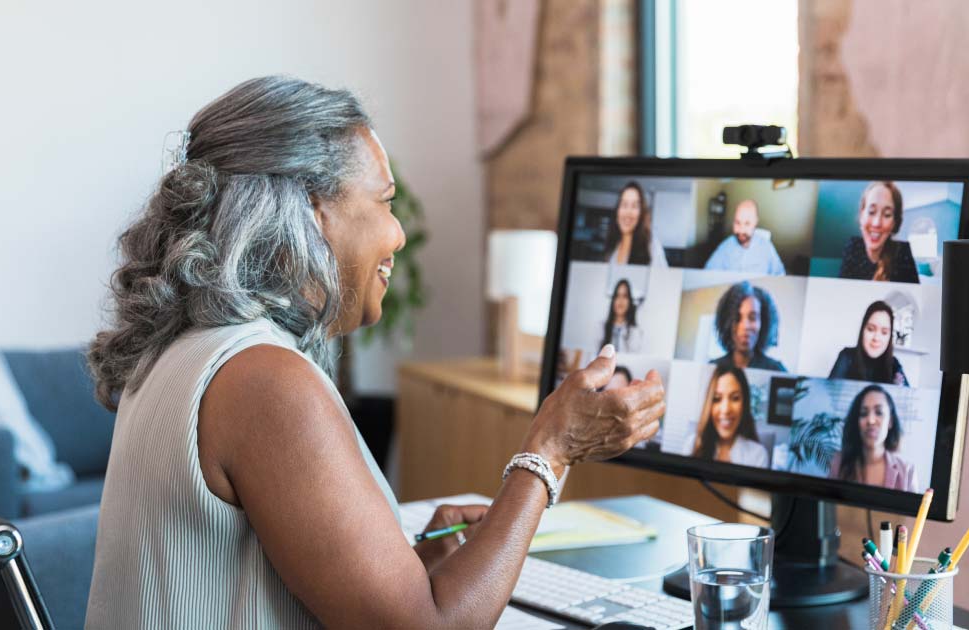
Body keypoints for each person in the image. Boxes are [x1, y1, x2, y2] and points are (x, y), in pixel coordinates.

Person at [85, 77, 666, 629]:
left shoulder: (188, 347)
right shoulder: (263, 381)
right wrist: (550, 448)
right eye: (385, 202)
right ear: (315, 213)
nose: (398, 234)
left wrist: (417, 566)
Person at [828, 384, 918, 491]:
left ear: (890, 422)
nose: (870, 420)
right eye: (863, 413)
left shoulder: (907, 472)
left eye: (879, 413)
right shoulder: (838, 463)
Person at [685, 365, 769, 467]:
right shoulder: (691, 445)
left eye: (735, 398)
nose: (725, 410)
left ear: (744, 404)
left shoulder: (758, 455)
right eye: (717, 399)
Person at [838, 181, 919, 283]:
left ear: (894, 223)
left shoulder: (903, 253)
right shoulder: (853, 246)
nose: (877, 223)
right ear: (861, 215)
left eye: (887, 214)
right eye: (871, 212)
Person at [709, 281, 787, 372]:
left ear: (763, 323)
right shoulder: (713, 368)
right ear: (727, 323)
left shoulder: (776, 370)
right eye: (737, 318)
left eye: (752, 318)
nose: (745, 326)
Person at [828, 301, 910, 386]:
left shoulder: (894, 364)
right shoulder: (847, 357)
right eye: (871, 329)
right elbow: (830, 394)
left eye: (884, 332)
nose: (876, 338)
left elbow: (906, 395)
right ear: (862, 330)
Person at [703, 199, 786, 275]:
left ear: (755, 222)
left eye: (747, 223)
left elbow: (780, 274)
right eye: (737, 222)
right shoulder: (725, 246)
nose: (741, 230)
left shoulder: (767, 247)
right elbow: (708, 273)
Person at [603, 181, 668, 267]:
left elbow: (663, 279)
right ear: (617, 211)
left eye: (634, 206)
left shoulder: (652, 246)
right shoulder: (614, 245)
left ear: (641, 213)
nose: (628, 212)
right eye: (624, 205)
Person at [598, 279, 643, 353]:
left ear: (630, 301)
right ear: (613, 300)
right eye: (617, 296)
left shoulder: (635, 332)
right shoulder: (601, 327)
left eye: (625, 296)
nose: (620, 300)